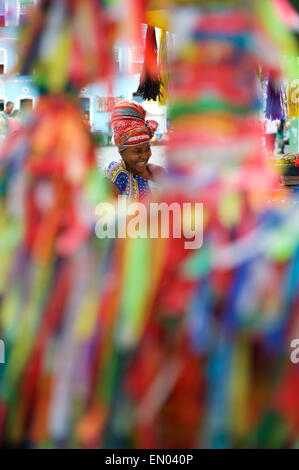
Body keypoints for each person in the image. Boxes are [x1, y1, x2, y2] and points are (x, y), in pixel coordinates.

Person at [105, 100, 165, 200]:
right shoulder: (116, 173)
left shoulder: (158, 172)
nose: (145, 155)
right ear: (121, 151)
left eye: (147, 148)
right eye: (137, 151)